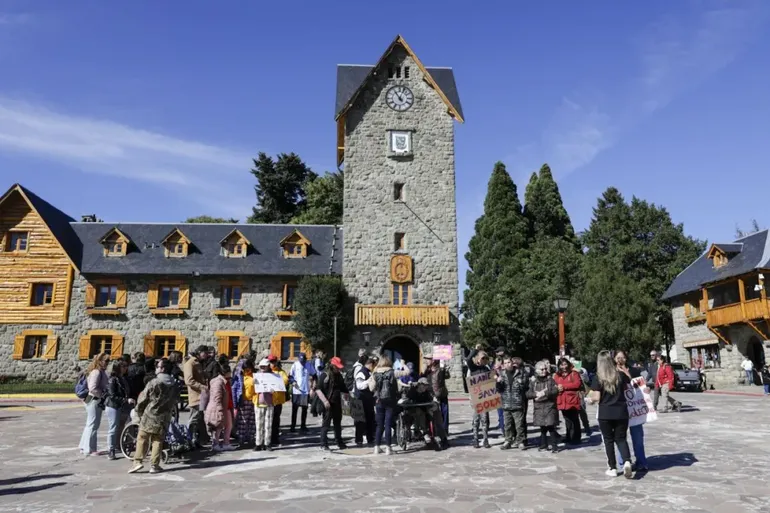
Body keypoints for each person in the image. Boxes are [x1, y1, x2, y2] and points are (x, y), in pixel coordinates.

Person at [128, 358, 178, 474]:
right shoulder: (174, 384)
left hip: (151, 414)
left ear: (162, 369)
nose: (156, 368)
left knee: (142, 438)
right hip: (165, 415)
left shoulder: (155, 382)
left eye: (158, 366)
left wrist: (138, 410)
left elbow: (143, 398)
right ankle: (154, 465)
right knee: (158, 440)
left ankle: (137, 461)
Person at [590, 350, 633, 479]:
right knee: (621, 439)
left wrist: (589, 399)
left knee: (608, 441)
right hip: (621, 412)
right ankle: (626, 461)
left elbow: (596, 397)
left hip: (605, 413)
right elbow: (629, 382)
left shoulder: (598, 377)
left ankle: (612, 467)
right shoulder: (619, 375)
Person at [369, 355, 410, 455]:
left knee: (379, 425)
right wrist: (403, 364)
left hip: (379, 401)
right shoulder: (393, 372)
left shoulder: (375, 372)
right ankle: (388, 448)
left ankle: (376, 447)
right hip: (390, 401)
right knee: (387, 424)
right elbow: (407, 372)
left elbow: (371, 388)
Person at [615, 350, 648, 472]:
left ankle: (641, 462)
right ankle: (623, 462)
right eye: (618, 357)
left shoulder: (634, 371)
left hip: (635, 410)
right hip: (619, 409)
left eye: (623, 357)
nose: (620, 360)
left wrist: (646, 390)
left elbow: (640, 387)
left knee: (638, 438)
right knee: (620, 437)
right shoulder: (612, 373)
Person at [403, 377, 449, 451]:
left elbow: (430, 400)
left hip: (424, 409)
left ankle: (441, 437)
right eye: (424, 385)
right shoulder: (412, 391)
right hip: (413, 411)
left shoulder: (426, 392)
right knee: (419, 412)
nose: (425, 387)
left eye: (426, 385)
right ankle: (424, 432)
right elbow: (407, 400)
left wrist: (434, 404)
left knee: (435, 413)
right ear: (419, 384)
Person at [79, 353, 109, 455]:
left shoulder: (96, 371)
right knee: (93, 424)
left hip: (89, 398)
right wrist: (102, 394)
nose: (108, 363)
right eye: (106, 361)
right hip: (94, 399)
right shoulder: (97, 372)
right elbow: (93, 388)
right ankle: (90, 449)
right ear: (100, 361)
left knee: (89, 423)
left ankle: (84, 446)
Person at [316, 356, 348, 451]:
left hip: (338, 403)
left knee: (338, 424)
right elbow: (318, 389)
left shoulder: (339, 376)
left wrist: (348, 400)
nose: (338, 369)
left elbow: (344, 389)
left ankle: (339, 442)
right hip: (328, 404)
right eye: (337, 367)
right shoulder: (324, 375)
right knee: (326, 424)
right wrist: (325, 401)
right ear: (332, 366)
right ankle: (323, 443)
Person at [527, 360, 559, 453]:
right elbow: (528, 394)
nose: (544, 371)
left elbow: (555, 391)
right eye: (541, 369)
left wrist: (545, 393)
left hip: (549, 406)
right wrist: (535, 394)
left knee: (551, 427)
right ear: (536, 370)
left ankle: (554, 446)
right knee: (542, 428)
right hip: (539, 407)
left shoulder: (551, 380)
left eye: (545, 369)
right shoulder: (533, 381)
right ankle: (543, 445)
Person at [496, 356, 528, 450]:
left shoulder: (521, 373)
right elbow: (499, 389)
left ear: (512, 363)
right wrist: (498, 383)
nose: (507, 365)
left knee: (519, 425)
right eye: (505, 363)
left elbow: (526, 387)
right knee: (508, 425)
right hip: (506, 403)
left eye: (508, 362)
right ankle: (508, 440)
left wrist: (521, 382)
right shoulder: (502, 374)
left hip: (517, 402)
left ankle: (520, 441)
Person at [105, 360, 134, 460]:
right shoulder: (112, 379)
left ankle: (118, 445)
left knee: (121, 426)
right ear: (118, 368)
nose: (126, 368)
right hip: (113, 406)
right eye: (124, 366)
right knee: (113, 427)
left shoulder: (123, 378)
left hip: (122, 406)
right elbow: (112, 395)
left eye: (126, 366)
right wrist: (126, 400)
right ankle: (111, 450)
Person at [184, 345, 210, 448]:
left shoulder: (198, 363)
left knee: (199, 418)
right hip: (195, 396)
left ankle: (198, 440)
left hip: (201, 396)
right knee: (193, 419)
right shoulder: (190, 363)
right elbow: (189, 380)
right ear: (199, 352)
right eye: (205, 353)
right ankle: (189, 440)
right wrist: (203, 387)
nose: (207, 355)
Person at [553, 358, 583, 446]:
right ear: (559, 366)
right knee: (567, 419)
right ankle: (569, 436)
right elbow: (554, 384)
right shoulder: (557, 375)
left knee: (574, 419)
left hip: (572, 399)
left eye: (565, 364)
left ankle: (576, 438)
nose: (564, 367)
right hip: (562, 399)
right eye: (562, 365)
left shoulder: (574, 373)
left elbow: (577, 384)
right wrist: (557, 387)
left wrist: (564, 386)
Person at [466, 347, 491, 449]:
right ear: (477, 359)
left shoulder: (487, 369)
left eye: (485, 358)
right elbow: (468, 360)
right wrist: (475, 351)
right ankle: (475, 439)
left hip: (484, 397)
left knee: (485, 420)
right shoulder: (473, 368)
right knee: (476, 420)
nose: (483, 360)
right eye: (482, 358)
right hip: (476, 397)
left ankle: (485, 439)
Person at [205, 364, 234, 451]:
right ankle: (216, 444)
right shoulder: (218, 382)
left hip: (224, 406)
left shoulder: (224, 381)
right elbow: (216, 396)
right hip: (219, 407)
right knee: (218, 426)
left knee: (227, 425)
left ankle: (225, 443)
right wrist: (219, 408)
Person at [422, 356, 450, 434]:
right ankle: (435, 430)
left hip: (441, 393)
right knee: (433, 413)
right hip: (431, 395)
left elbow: (447, 376)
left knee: (444, 412)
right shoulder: (427, 370)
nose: (426, 361)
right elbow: (422, 378)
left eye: (428, 359)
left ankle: (445, 430)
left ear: (433, 360)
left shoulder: (440, 368)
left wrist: (445, 369)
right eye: (426, 359)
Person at [354, 357, 377, 446]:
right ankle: (359, 440)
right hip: (360, 400)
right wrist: (369, 381)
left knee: (370, 420)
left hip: (368, 400)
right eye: (373, 365)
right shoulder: (361, 373)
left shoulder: (368, 372)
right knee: (360, 421)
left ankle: (370, 438)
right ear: (370, 364)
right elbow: (360, 386)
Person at [289, 352, 315, 432]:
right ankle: (293, 426)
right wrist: (293, 382)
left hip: (305, 390)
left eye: (303, 360)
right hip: (296, 391)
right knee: (295, 409)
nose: (302, 362)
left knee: (304, 409)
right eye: (301, 360)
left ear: (305, 359)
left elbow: (314, 375)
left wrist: (312, 388)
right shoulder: (295, 365)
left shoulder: (308, 365)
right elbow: (290, 376)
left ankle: (303, 425)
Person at [254, 359, 275, 451]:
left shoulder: (273, 376)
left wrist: (273, 391)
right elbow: (252, 389)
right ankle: (258, 444)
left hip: (269, 403)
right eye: (261, 366)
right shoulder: (256, 376)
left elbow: (277, 388)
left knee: (268, 425)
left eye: (264, 366)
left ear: (268, 366)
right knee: (258, 425)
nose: (262, 367)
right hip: (258, 403)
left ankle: (267, 443)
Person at [233, 360, 256, 447]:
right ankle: (241, 439)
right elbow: (235, 389)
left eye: (249, 369)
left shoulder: (255, 376)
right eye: (245, 370)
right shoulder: (240, 377)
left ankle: (251, 438)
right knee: (243, 421)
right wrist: (236, 402)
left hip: (253, 401)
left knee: (252, 421)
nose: (247, 371)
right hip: (244, 401)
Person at [269, 356, 289, 447]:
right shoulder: (265, 373)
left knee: (276, 421)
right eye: (271, 362)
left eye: (274, 361)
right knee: (268, 421)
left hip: (278, 401)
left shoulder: (281, 372)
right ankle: (267, 439)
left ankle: (275, 439)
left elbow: (285, 381)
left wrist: (274, 381)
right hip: (268, 401)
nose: (272, 363)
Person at [493, 347, 506, 434]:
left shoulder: (505, 370)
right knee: (500, 413)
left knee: (507, 413)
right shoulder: (493, 371)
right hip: (498, 393)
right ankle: (503, 429)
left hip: (506, 393)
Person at [577, 368, 593, 438]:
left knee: (582, 412)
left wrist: (580, 371)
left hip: (580, 394)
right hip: (571, 395)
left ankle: (587, 427)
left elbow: (586, 378)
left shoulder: (580, 370)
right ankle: (575, 430)